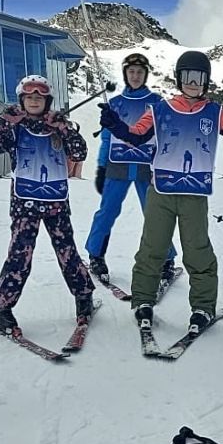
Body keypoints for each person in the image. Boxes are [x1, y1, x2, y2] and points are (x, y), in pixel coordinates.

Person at [99, 49, 223, 338]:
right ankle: (143, 301)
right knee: (152, 249)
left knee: (198, 251)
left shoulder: (214, 112)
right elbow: (134, 135)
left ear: (207, 81)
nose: (193, 82)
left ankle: (203, 306)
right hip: (162, 191)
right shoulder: (160, 109)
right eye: (188, 77)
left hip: (194, 194)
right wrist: (114, 123)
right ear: (179, 78)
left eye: (200, 77)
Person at [0, 75, 94, 332]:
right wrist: (2, 122)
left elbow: (79, 153)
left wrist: (65, 127)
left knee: (67, 253)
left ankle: (83, 294)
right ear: (22, 100)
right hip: (25, 204)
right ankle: (0, 305)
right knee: (20, 255)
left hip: (56, 202)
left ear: (47, 101)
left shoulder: (59, 127)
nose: (34, 101)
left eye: (39, 97)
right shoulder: (15, 129)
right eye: (29, 97)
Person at [84, 52, 178, 284]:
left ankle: (166, 258)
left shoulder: (156, 103)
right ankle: (96, 254)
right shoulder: (114, 103)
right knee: (108, 210)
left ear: (146, 75)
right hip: (119, 165)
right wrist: (101, 167)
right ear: (125, 74)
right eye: (131, 72)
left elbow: (166, 137)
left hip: (148, 167)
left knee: (155, 214)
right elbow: (107, 137)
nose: (135, 76)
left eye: (139, 72)